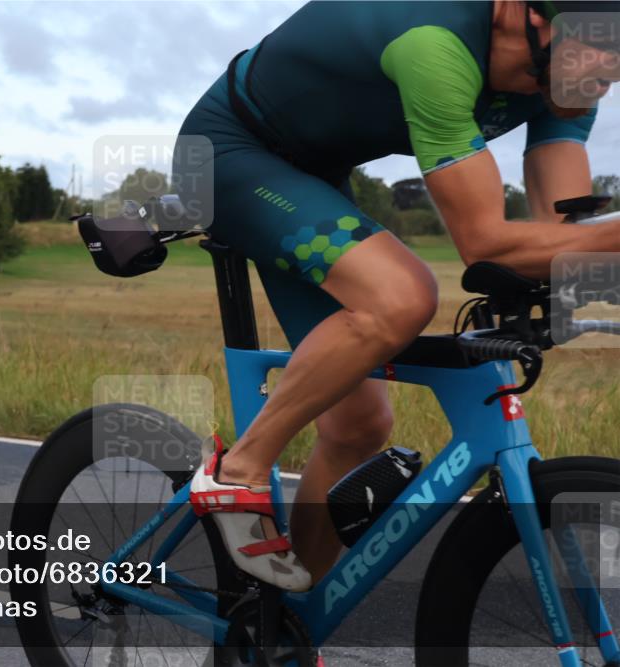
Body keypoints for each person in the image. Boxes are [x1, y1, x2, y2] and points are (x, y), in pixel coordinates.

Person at [179, 0, 620, 592]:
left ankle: (281, 619)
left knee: (359, 425)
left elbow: (568, 239)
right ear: (533, 17)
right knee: (402, 297)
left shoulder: (568, 77)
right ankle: (237, 471)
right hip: (228, 152)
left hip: (313, 172)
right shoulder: (435, 45)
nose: (615, 66)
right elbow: (486, 244)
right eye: (607, 41)